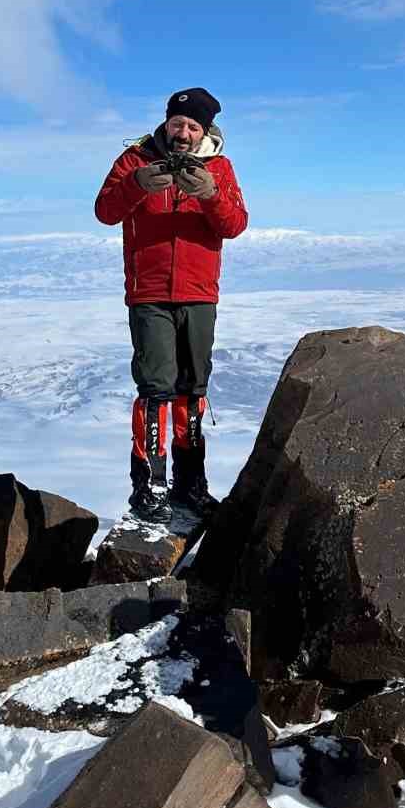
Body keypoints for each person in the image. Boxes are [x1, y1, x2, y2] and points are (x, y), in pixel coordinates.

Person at [94, 87, 249, 524]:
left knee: (192, 388)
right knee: (155, 388)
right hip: (150, 294)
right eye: (177, 123)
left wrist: (211, 193)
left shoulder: (219, 167)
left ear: (205, 130)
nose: (183, 132)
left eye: (192, 126)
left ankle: (189, 485)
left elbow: (234, 224)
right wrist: (138, 185)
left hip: (199, 294)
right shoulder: (135, 161)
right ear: (166, 122)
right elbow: (105, 210)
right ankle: (150, 487)